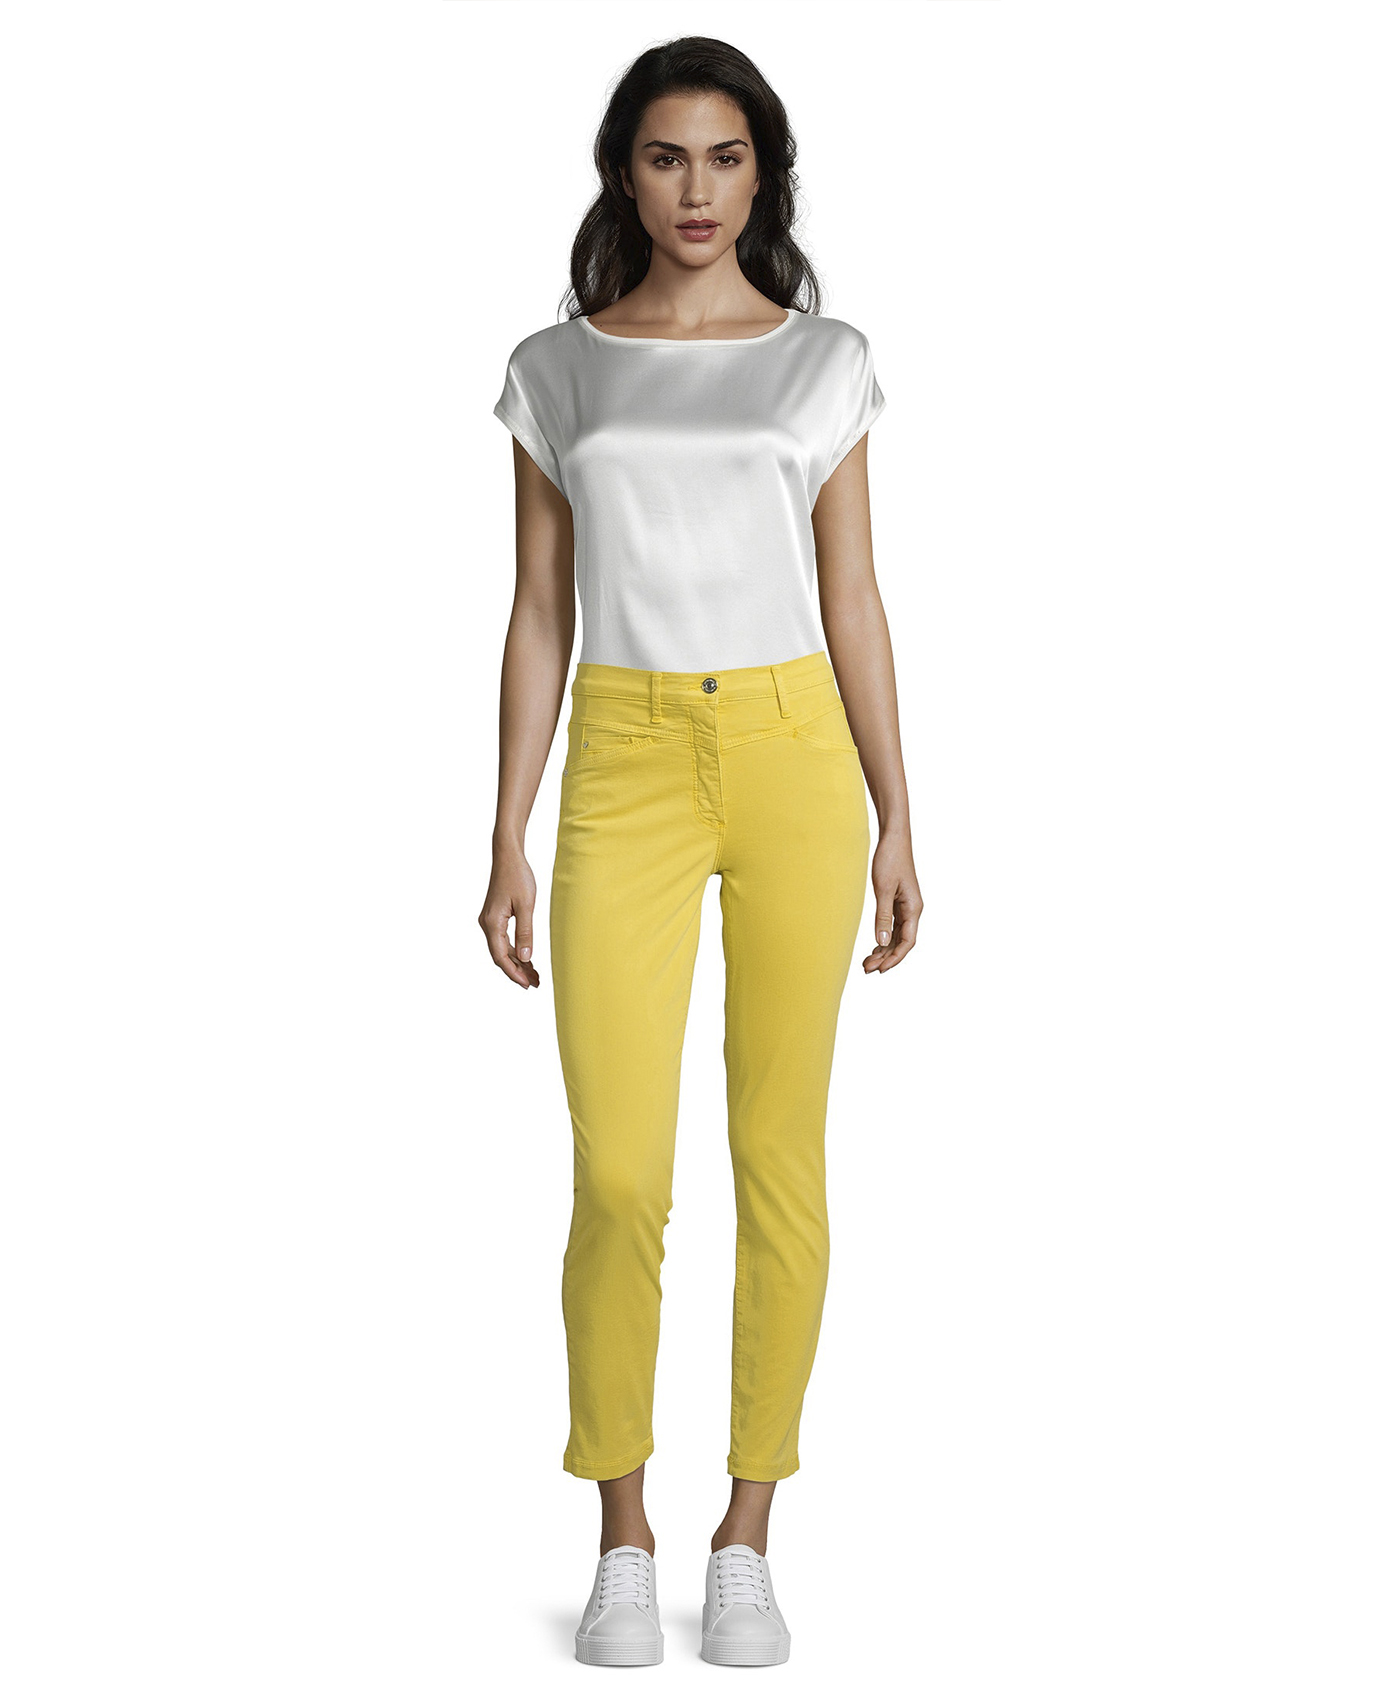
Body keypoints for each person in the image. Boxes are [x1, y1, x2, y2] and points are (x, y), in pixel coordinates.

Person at [480, 35, 921, 1668]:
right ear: (626, 171)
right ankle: (622, 1532)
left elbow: (854, 594)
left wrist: (897, 807)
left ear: (762, 176)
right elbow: (539, 610)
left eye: (726, 158)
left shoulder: (823, 362)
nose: (696, 190)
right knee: (619, 1173)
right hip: (625, 757)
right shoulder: (559, 368)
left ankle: (748, 1532)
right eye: (667, 157)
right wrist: (506, 829)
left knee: (776, 1155)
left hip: (797, 752)